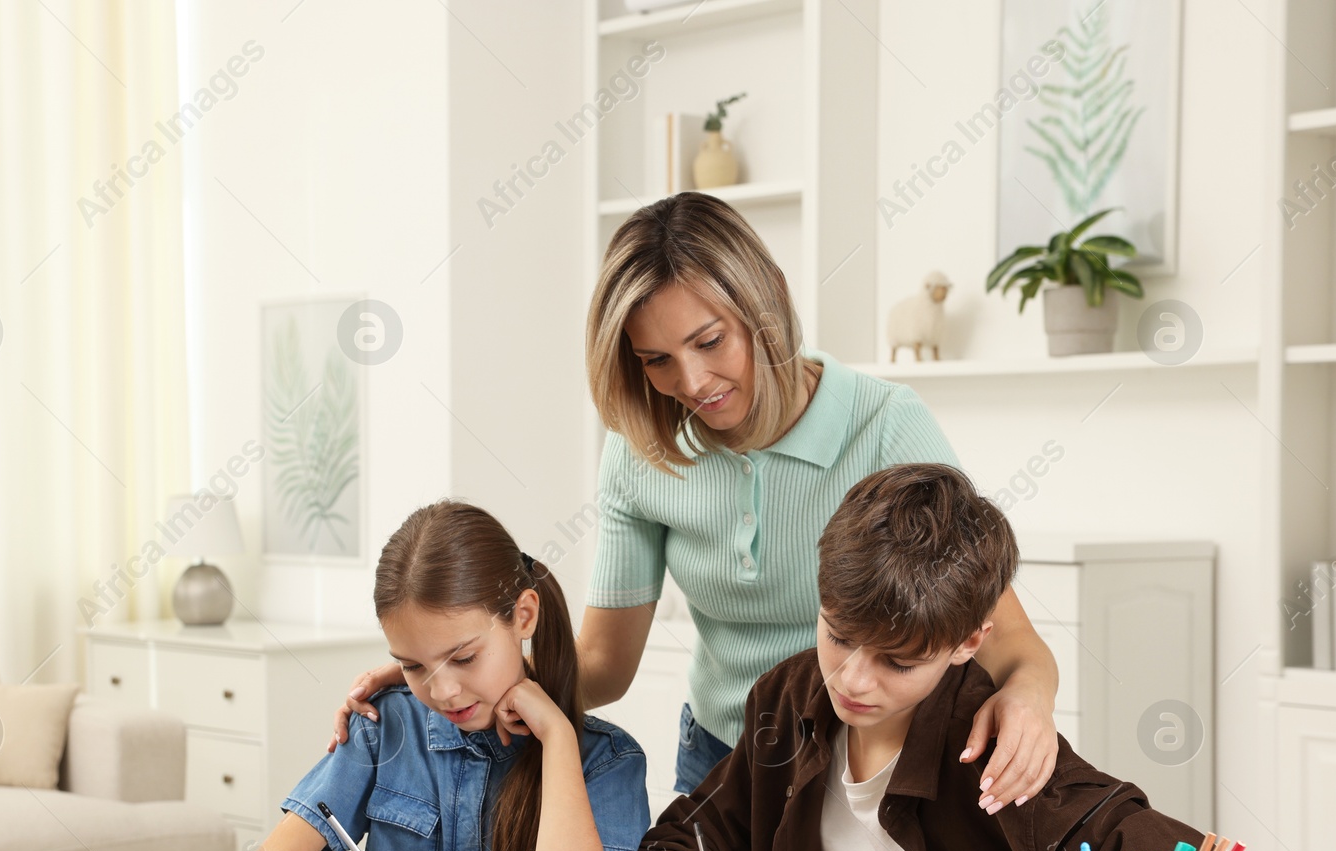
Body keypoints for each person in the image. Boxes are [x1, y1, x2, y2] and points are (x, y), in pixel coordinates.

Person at [328, 192, 1062, 810]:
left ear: (764, 300)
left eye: (711, 340)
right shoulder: (642, 451)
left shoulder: (886, 427)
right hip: (721, 763)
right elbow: (605, 664)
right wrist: (455, 672)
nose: (692, 381)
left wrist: (1030, 695)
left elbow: (1007, 641)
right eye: (656, 360)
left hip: (871, 765)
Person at [624, 464, 1246, 851]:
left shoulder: (995, 745)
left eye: (898, 662)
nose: (852, 679)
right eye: (838, 635)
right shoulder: (785, 699)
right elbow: (677, 841)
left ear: (969, 640)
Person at [237, 501, 650, 851]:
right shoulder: (387, 728)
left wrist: (558, 738)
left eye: (465, 658)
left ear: (523, 616)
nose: (444, 692)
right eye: (414, 666)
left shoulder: (607, 760)